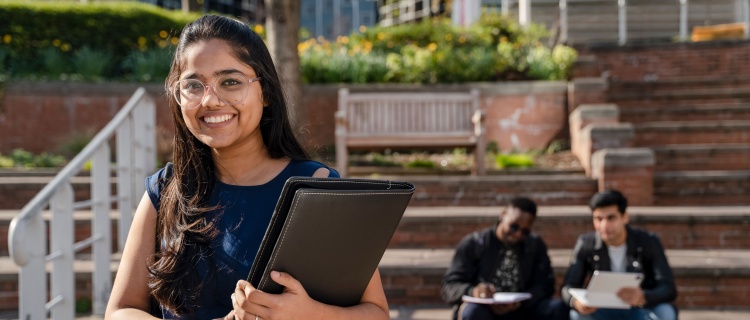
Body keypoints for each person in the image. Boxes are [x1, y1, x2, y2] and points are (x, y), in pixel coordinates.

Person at [105, 15, 389, 320]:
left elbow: (375, 313)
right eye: (193, 85)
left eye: (230, 82)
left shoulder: (317, 187)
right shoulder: (165, 189)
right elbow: (121, 310)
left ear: (265, 91)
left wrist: (308, 314)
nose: (210, 100)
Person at [441, 197, 568, 320]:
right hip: (484, 309)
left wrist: (523, 301)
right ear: (502, 215)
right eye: (513, 227)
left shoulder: (535, 245)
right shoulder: (475, 243)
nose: (517, 234)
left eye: (525, 231)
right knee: (473, 312)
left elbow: (546, 284)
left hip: (523, 309)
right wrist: (474, 291)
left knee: (557, 308)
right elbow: (450, 286)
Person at [562, 190, 677, 320]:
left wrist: (643, 296)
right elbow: (569, 285)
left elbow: (668, 288)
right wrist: (576, 302)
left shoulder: (648, 242)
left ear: (624, 217)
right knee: (577, 314)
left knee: (664, 312)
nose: (604, 225)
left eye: (611, 218)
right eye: (599, 219)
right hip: (601, 308)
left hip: (639, 308)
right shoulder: (586, 243)